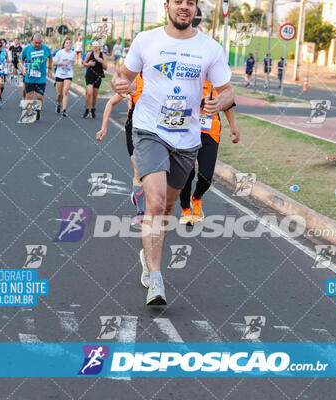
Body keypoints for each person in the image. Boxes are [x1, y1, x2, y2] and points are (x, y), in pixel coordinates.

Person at [111, 0, 234, 306]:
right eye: (178, 2)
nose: (184, 7)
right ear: (166, 5)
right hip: (149, 130)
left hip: (187, 138)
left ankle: (148, 255)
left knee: (166, 208)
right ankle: (155, 279)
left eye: (190, 3)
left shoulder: (210, 47)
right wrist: (119, 83)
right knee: (153, 203)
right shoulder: (146, 40)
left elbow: (228, 90)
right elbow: (123, 76)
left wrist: (220, 103)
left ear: (195, 9)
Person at [179, 80, 240, 225]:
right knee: (187, 172)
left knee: (206, 175)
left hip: (210, 133)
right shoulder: (188, 77)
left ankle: (196, 197)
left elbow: (228, 104)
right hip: (187, 130)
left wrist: (233, 127)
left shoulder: (218, 81)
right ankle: (185, 208)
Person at [96, 74, 146, 226]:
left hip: (155, 130)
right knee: (139, 171)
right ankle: (141, 211)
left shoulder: (158, 81)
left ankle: (143, 197)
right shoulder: (132, 85)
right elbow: (110, 103)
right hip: (134, 128)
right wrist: (103, 128)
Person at [20, 33, 52, 121]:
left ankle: (37, 109)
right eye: (36, 43)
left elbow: (50, 56)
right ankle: (30, 113)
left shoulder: (46, 49)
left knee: (39, 97)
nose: (37, 45)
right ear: (32, 41)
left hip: (41, 77)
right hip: (29, 76)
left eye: (39, 43)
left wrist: (49, 68)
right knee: (29, 95)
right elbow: (20, 59)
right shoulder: (27, 49)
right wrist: (23, 68)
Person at [82, 41, 108, 118]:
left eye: (97, 45)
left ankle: (93, 109)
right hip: (89, 75)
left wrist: (101, 61)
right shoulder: (89, 54)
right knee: (89, 92)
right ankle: (87, 110)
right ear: (92, 47)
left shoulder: (103, 55)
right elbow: (83, 63)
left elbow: (105, 68)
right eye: (94, 46)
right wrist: (88, 64)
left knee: (95, 95)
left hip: (98, 76)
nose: (95, 47)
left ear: (100, 47)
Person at [53, 38, 76, 117]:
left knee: (65, 91)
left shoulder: (73, 53)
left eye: (70, 43)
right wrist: (62, 63)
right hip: (59, 74)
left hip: (68, 74)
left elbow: (73, 62)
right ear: (64, 44)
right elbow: (53, 63)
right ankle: (59, 104)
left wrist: (73, 64)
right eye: (67, 43)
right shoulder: (60, 52)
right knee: (59, 94)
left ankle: (64, 110)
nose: (68, 44)